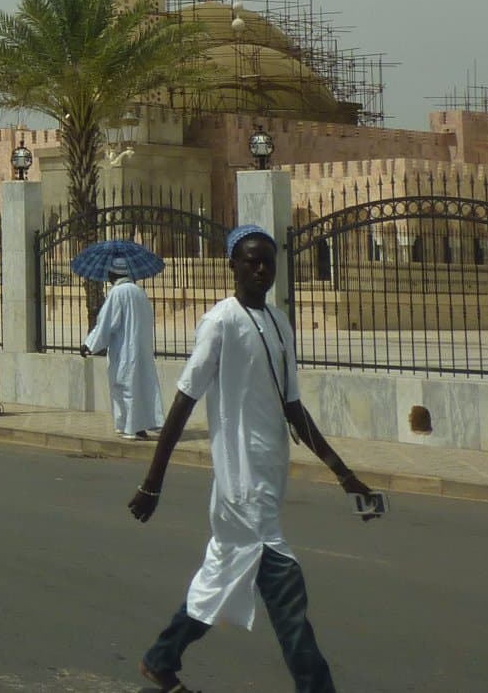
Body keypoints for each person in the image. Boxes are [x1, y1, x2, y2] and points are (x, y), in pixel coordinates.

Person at [128, 225, 381, 693]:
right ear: (233, 265)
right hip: (240, 484)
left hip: (268, 473)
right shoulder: (220, 322)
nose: (261, 268)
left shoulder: (281, 324)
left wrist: (346, 476)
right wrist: (152, 483)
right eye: (251, 260)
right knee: (285, 589)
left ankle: (161, 658)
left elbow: (293, 407)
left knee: (220, 579)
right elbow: (184, 399)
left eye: (268, 261)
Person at [82, 255, 164, 439]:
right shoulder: (139, 292)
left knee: (125, 387)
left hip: (125, 350)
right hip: (141, 349)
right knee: (141, 387)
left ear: (112, 274)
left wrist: (89, 345)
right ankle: (139, 426)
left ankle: (130, 428)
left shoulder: (117, 293)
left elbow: (106, 322)